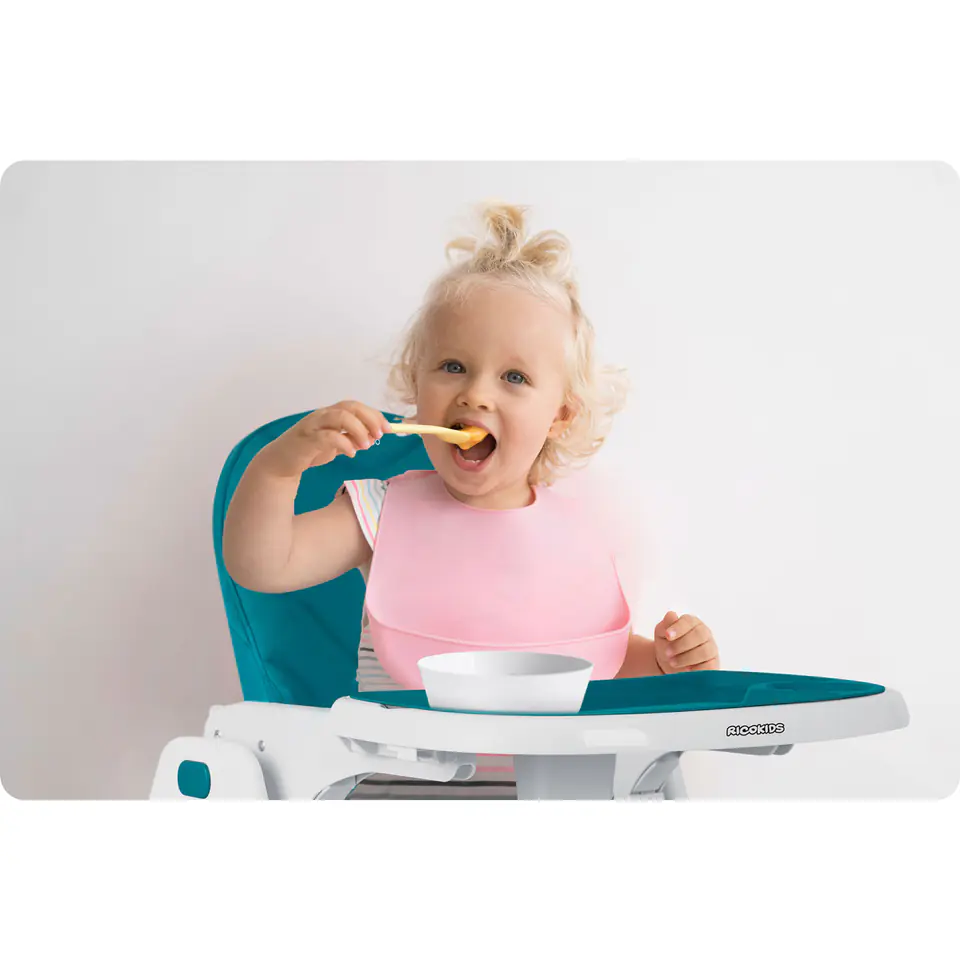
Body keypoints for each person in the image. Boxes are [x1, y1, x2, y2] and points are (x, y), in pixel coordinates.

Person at [223, 203, 720, 798]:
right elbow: (261, 565)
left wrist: (667, 663)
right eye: (453, 366)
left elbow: (602, 666)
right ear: (417, 383)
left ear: (560, 415)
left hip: (551, 799)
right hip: (397, 798)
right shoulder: (379, 510)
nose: (476, 394)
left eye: (514, 378)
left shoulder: (584, 529)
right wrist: (280, 467)